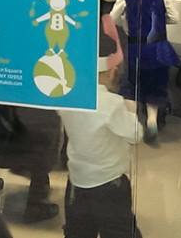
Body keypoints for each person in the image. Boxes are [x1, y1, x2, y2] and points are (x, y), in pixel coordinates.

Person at [58, 28, 143, 238]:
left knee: (78, 232)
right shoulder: (111, 103)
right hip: (109, 184)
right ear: (112, 71)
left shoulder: (68, 97)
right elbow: (135, 134)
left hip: (77, 183)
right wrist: (131, 110)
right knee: (119, 232)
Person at [110, 0, 181, 141]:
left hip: (136, 48)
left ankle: (132, 125)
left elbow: (113, 18)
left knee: (131, 87)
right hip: (159, 49)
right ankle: (152, 119)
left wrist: (125, 22)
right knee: (155, 88)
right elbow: (175, 17)